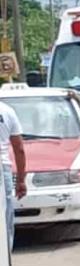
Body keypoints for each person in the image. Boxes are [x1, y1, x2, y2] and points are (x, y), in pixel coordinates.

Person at [0, 99, 26, 251]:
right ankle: (5, 258)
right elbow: (19, 149)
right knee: (5, 215)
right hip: (2, 168)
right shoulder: (7, 111)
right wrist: (21, 181)